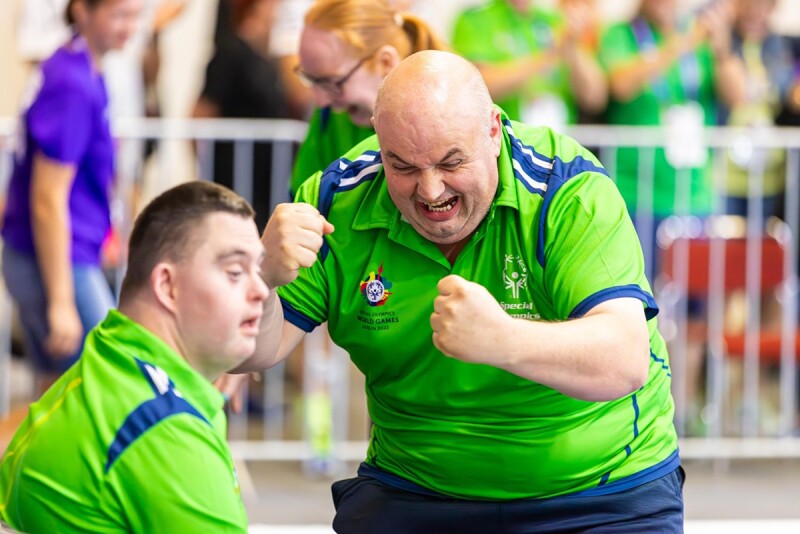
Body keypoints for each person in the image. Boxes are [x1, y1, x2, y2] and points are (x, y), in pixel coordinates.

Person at [233, 50, 683, 532]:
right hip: (417, 486)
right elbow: (255, 353)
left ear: (494, 129)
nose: (430, 192)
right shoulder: (335, 199)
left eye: (451, 162)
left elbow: (624, 360)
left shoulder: (566, 188)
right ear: (378, 142)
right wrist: (261, 278)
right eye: (402, 166)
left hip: (602, 488)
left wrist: (504, 340)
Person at [0, 181, 267, 532]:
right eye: (235, 272)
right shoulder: (166, 430)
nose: (261, 290)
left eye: (259, 270)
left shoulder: (107, 359)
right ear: (167, 286)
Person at [2, 0, 142, 395]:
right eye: (118, 15)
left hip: (56, 256)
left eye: (135, 16)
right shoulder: (73, 83)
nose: (128, 27)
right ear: (82, 10)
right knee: (102, 385)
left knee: (56, 395)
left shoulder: (81, 68)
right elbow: (47, 199)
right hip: (55, 263)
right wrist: (62, 301)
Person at [288, 0, 448, 197]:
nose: (321, 101)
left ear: (385, 62)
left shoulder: (450, 118)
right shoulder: (329, 118)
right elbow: (303, 198)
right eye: (311, 79)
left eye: (333, 82)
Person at [193, 0, 291, 231]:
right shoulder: (230, 52)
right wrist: (206, 169)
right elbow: (202, 113)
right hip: (234, 175)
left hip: (262, 179)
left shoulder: (264, 56)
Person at [450, 0, 607, 130]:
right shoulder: (476, 21)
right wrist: (548, 57)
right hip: (504, 147)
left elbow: (595, 98)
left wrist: (573, 49)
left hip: (557, 150)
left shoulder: (555, 20)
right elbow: (478, 86)